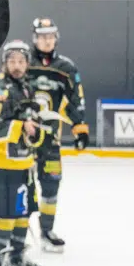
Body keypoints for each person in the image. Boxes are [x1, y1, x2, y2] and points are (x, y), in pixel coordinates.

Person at [24, 17, 89, 252]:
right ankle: (18, 234)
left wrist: (79, 128)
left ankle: (47, 231)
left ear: (56, 39)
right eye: (42, 36)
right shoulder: (22, 62)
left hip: (51, 140)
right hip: (23, 139)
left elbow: (75, 100)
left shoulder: (66, 69)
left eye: (50, 36)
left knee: (51, 184)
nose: (46, 40)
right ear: (35, 38)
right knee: (23, 186)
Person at [0, 40, 43, 266]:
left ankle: (16, 256)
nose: (17, 66)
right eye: (12, 61)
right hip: (3, 163)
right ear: (5, 64)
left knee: (22, 215)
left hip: (23, 164)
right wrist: (22, 127)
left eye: (21, 61)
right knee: (6, 216)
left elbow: (32, 126)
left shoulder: (28, 89)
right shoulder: (1, 90)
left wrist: (36, 132)